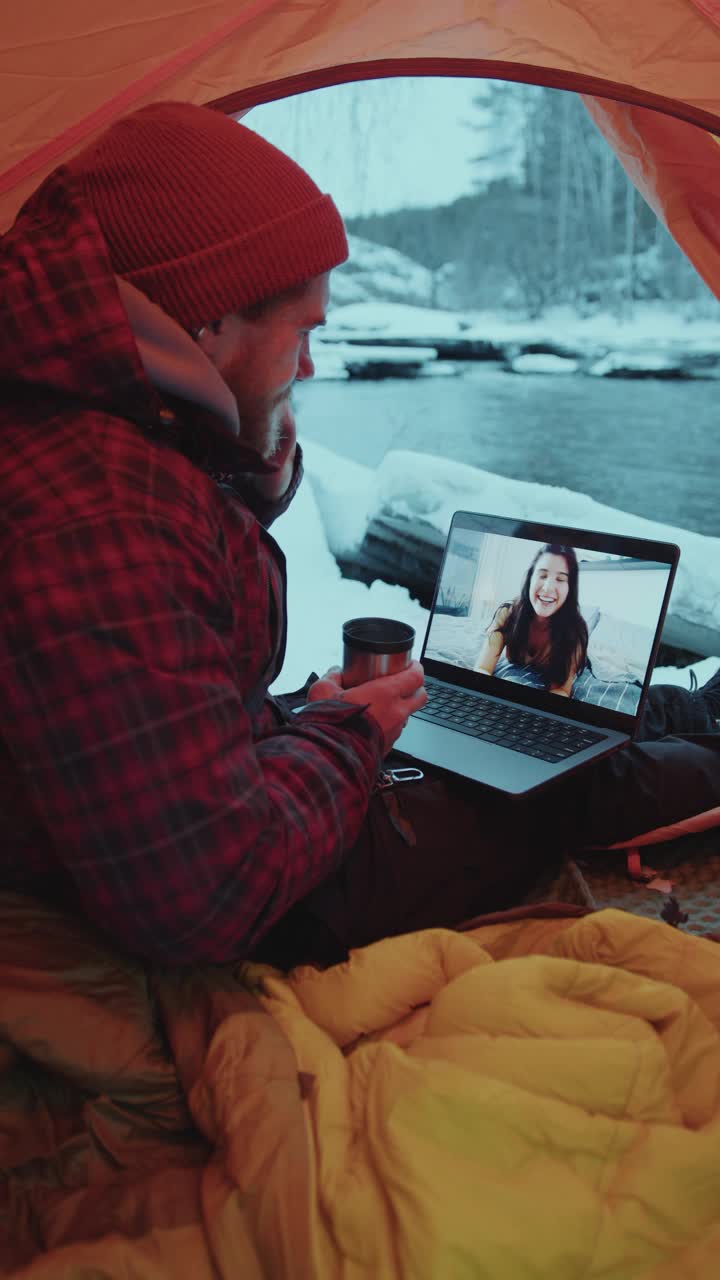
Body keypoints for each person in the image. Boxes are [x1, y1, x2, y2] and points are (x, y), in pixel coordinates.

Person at [1, 102, 719, 972]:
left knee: (518, 726)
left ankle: (692, 708)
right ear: (207, 325)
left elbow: (154, 719)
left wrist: (313, 719)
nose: (309, 365)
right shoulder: (106, 511)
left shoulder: (98, 441)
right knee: (553, 784)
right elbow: (206, 899)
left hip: (190, 822)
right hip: (268, 908)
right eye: (302, 332)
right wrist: (349, 738)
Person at [474, 544, 589, 697]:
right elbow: (482, 668)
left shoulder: (574, 632)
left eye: (560, 579)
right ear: (530, 579)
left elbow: (560, 690)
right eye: (542, 575)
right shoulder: (507, 614)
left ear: (570, 589)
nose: (548, 588)